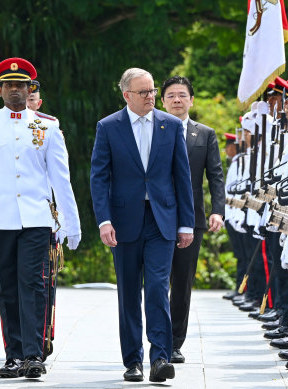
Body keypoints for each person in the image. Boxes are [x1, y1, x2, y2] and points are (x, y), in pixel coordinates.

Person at [0, 57, 81, 379]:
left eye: (21, 85)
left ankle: (33, 355)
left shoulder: (48, 125)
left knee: (33, 283)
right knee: (7, 288)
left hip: (36, 217)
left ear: (30, 88)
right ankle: (13, 356)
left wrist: (71, 223)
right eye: (8, 85)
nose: (15, 90)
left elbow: (61, 177)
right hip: (0, 217)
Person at [90, 68, 195, 383]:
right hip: (124, 221)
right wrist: (104, 220)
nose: (152, 96)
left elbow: (182, 178)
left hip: (162, 220)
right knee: (128, 292)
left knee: (158, 289)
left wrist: (186, 223)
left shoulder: (170, 125)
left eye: (152, 91)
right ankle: (132, 360)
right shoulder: (109, 127)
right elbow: (99, 177)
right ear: (127, 95)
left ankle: (160, 357)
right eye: (144, 92)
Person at [159, 75, 225, 364]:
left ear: (191, 100)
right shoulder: (154, 130)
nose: (176, 99)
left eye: (182, 95)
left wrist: (217, 210)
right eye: (171, 95)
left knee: (182, 282)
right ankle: (157, 339)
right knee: (157, 281)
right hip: (157, 215)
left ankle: (175, 342)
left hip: (192, 217)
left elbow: (216, 176)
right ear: (163, 101)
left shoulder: (205, 134)